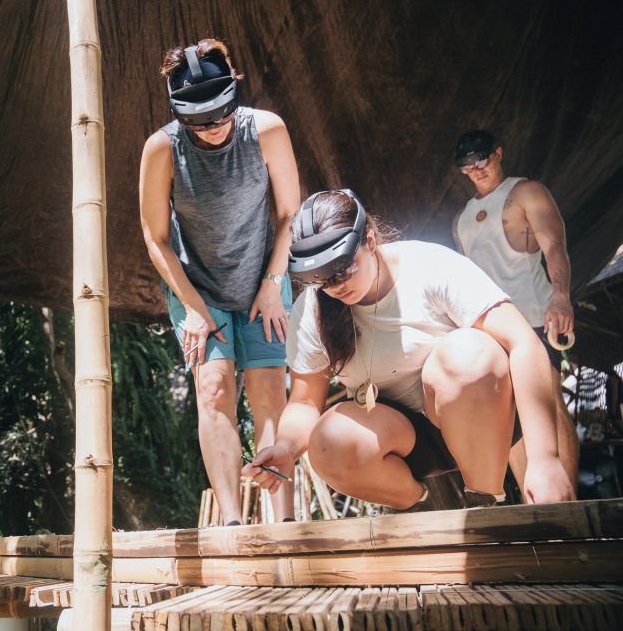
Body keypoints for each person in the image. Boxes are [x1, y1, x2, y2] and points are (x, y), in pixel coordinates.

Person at [242, 190, 575, 510]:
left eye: (344, 269)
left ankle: (485, 500)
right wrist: (285, 447)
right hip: (405, 441)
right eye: (322, 279)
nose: (337, 286)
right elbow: (303, 402)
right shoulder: (313, 309)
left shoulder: (429, 265)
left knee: (468, 353)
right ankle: (417, 505)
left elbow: (524, 344)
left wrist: (545, 460)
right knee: (329, 440)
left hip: (482, 415)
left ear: (370, 240)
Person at [139, 38, 301, 524]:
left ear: (234, 90)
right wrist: (190, 307)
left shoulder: (266, 130)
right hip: (197, 288)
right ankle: (231, 523)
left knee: (270, 390)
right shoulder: (162, 148)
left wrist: (273, 282)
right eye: (199, 121)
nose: (212, 128)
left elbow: (291, 213)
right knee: (213, 388)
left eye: (221, 114)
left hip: (263, 279)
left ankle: (287, 520)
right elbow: (155, 235)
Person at [451, 129, 580, 498]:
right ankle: (534, 504)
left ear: (498, 153)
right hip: (490, 325)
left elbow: (555, 245)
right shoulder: (461, 220)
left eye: (482, 158)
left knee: (547, 400)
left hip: (535, 315)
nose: (476, 168)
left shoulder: (526, 192)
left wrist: (561, 296)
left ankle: (567, 502)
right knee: (508, 416)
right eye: (467, 164)